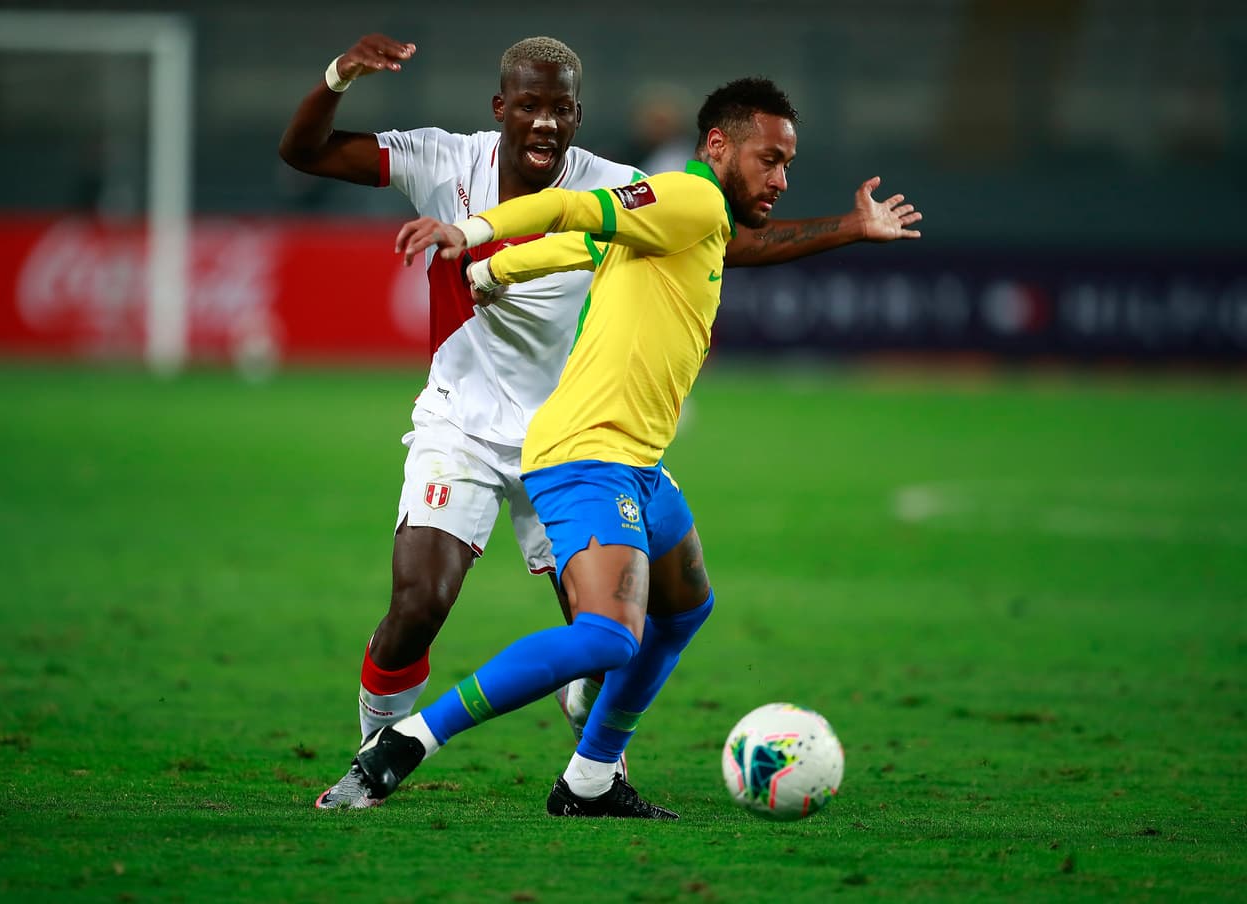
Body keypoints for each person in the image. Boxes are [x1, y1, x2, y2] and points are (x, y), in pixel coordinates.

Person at [279, 34, 922, 813]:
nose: (545, 122)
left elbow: (588, 237)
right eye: (530, 105)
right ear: (501, 109)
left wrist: (494, 265)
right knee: (464, 613)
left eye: (561, 108)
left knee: (676, 609)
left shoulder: (643, 192)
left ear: (578, 115)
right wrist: (472, 231)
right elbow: (565, 210)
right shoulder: (457, 163)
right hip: (523, 435)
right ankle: (396, 743)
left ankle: (592, 773)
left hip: (608, 446)